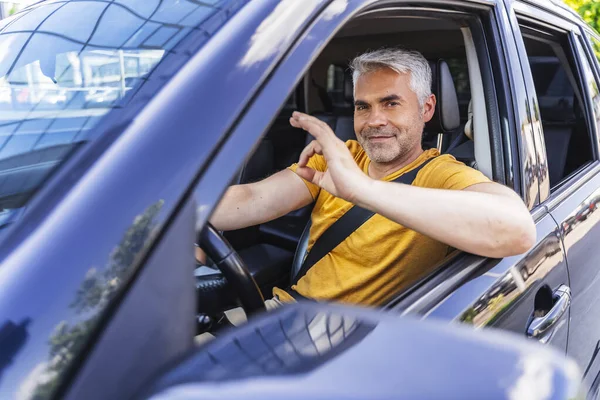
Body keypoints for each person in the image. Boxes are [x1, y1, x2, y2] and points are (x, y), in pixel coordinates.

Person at [199, 48, 536, 307]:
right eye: (363, 106)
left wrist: (362, 190)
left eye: (391, 104)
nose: (374, 120)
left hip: (352, 347)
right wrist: (164, 219)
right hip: (282, 313)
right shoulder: (340, 157)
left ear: (427, 109)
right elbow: (249, 200)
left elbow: (517, 229)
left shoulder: (442, 174)